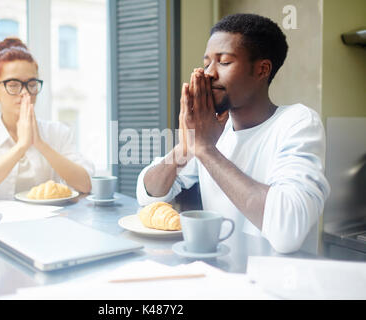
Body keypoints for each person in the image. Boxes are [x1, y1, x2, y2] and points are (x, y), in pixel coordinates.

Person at [137, 13, 330, 254]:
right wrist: (185, 147)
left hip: (278, 286)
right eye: (207, 63)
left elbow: (287, 231)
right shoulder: (214, 131)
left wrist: (206, 150)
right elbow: (149, 197)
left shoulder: (297, 123)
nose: (209, 73)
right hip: (218, 278)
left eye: (224, 62)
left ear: (262, 70)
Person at [0, 37, 94, 204]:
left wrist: (40, 143)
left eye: (31, 84)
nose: (25, 93)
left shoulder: (58, 132)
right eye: (13, 85)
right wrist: (21, 147)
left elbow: (86, 184)